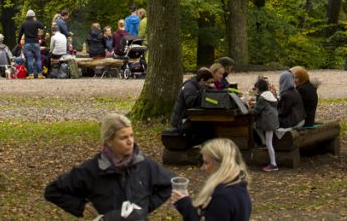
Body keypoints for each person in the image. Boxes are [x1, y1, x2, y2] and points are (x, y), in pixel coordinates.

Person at [44, 113, 175, 219]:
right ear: (109, 141)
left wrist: (145, 207)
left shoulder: (144, 165)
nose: (130, 141)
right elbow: (52, 191)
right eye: (123, 138)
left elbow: (171, 184)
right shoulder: (91, 170)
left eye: (131, 135)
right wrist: (83, 207)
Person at [172, 138, 252, 220]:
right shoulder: (238, 186)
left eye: (206, 163)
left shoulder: (223, 198)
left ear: (221, 164)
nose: (202, 168)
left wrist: (185, 206)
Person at [170, 68, 214, 144]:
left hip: (188, 118)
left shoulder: (196, 85)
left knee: (209, 126)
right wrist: (204, 90)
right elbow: (191, 102)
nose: (211, 85)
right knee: (206, 129)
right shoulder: (189, 87)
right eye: (209, 83)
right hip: (181, 121)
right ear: (202, 80)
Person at [250, 77, 279, 172]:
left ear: (259, 88)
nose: (255, 90)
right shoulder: (270, 95)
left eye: (256, 88)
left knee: (269, 143)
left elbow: (256, 111)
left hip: (268, 122)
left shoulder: (262, 97)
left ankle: (273, 164)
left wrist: (247, 110)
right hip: (273, 120)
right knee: (256, 126)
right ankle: (263, 142)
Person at [19, 9, 45, 79]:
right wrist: (36, 20)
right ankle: (40, 74)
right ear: (33, 16)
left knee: (30, 59)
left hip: (27, 44)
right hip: (36, 43)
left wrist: (19, 41)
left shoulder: (24, 23)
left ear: (27, 16)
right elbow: (42, 26)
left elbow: (20, 33)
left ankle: (31, 75)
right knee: (38, 59)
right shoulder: (36, 22)